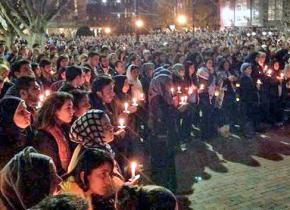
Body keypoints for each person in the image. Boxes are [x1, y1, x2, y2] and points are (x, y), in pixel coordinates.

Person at [33, 92, 74, 175]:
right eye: (68, 108)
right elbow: (51, 168)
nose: (73, 111)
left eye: (72, 107)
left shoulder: (65, 128)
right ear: (55, 110)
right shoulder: (44, 136)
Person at [239, 63, 260, 138]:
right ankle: (246, 132)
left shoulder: (249, 77)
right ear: (244, 70)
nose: (250, 70)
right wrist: (255, 88)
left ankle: (250, 131)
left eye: (250, 68)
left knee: (249, 116)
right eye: (248, 69)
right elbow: (246, 90)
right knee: (246, 117)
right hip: (246, 100)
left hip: (250, 100)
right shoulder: (243, 78)